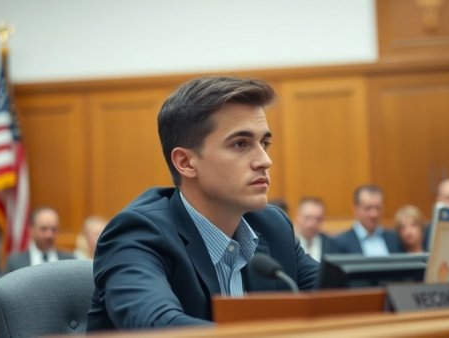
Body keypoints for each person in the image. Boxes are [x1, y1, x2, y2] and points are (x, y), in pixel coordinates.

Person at [87, 76, 319, 330]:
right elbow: (158, 326)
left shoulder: (272, 226)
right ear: (185, 163)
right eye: (241, 144)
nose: (265, 160)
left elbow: (343, 294)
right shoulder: (136, 235)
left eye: (264, 143)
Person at [334, 185, 403, 256]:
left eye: (378, 208)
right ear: (355, 210)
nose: (374, 214)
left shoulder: (395, 239)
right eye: (368, 208)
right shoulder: (340, 243)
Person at [5, 206, 74, 272]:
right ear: (31, 230)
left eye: (53, 229)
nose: (49, 235)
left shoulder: (70, 261)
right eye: (43, 229)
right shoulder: (15, 262)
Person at [293, 197, 340, 262]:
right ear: (297, 216)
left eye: (318, 219)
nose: (312, 224)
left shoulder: (333, 245)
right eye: (308, 218)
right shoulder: (288, 243)